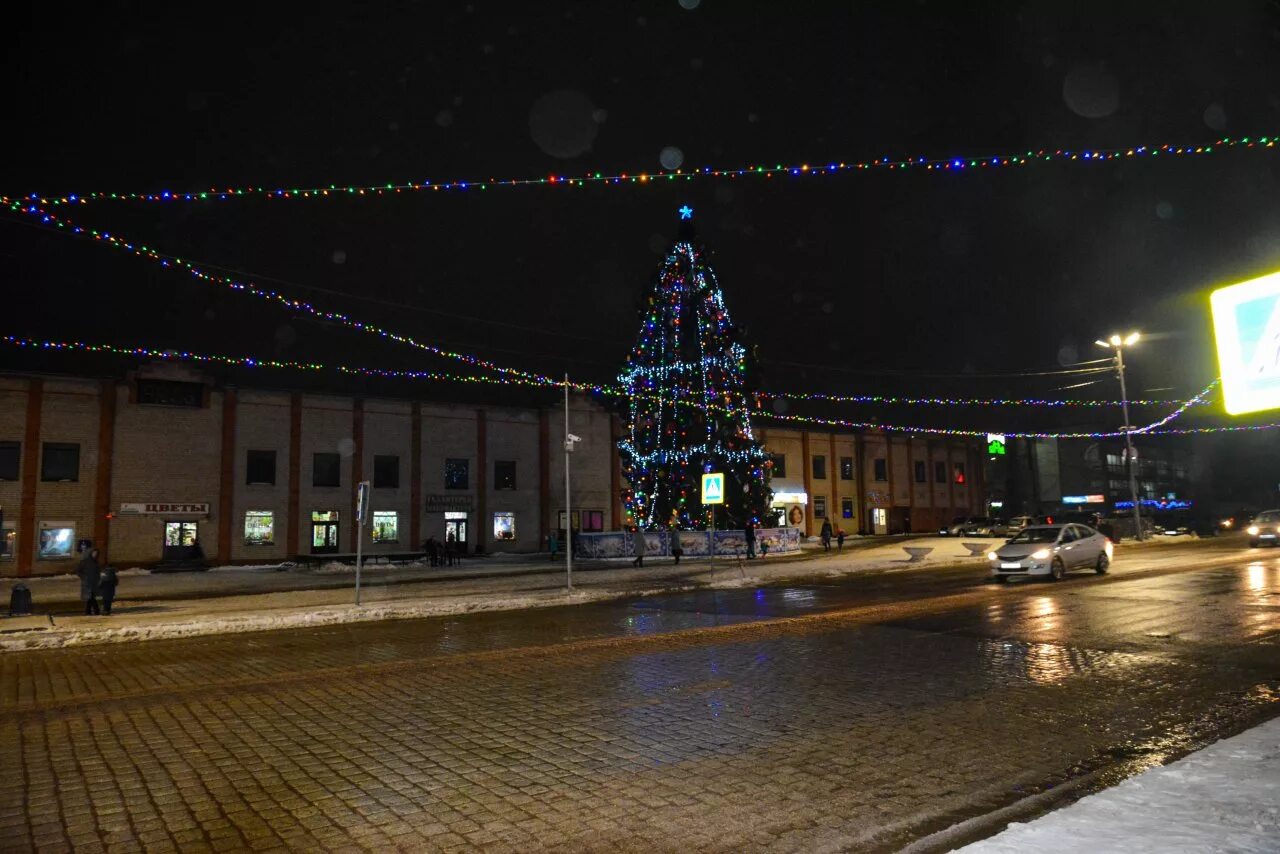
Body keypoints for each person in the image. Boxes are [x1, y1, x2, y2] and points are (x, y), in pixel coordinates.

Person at [76, 548, 102, 616]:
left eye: (96, 553)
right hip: (87, 583)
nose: (95, 554)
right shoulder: (85, 562)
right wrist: (84, 577)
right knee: (91, 597)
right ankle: (96, 611)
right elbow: (78, 571)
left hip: (94, 583)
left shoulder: (96, 562)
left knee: (90, 598)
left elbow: (98, 572)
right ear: (91, 553)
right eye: (94, 553)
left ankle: (88, 611)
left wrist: (99, 580)